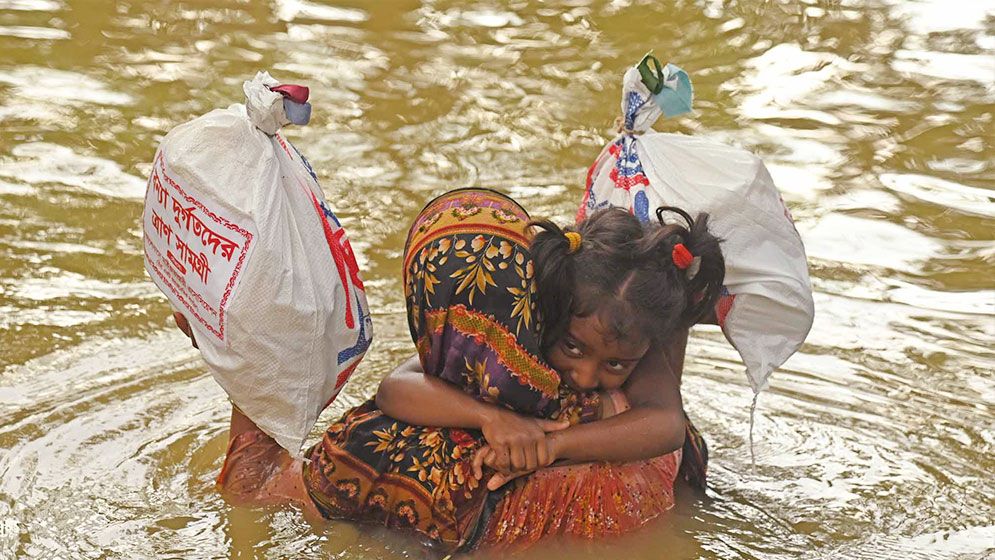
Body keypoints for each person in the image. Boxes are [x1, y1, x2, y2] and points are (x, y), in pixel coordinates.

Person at [176, 187, 724, 553]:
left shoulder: (633, 362)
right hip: (541, 491)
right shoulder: (507, 347)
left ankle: (237, 353)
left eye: (615, 365)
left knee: (261, 487)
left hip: (520, 497)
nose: (586, 376)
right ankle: (237, 347)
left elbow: (665, 424)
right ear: (543, 313)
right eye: (574, 351)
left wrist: (555, 445)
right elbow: (397, 387)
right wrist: (493, 417)